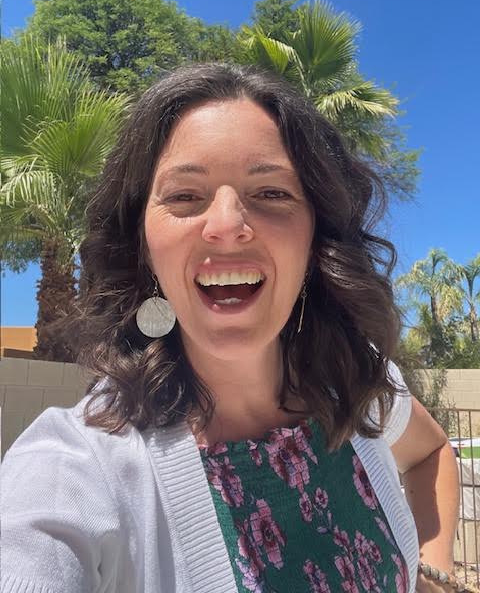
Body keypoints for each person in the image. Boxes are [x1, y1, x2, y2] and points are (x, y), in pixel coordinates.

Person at [1, 63, 461, 593]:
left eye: (271, 193)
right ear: (143, 246)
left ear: (316, 240)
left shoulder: (354, 381)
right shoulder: (74, 467)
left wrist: (433, 572)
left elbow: (431, 453)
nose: (226, 227)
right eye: (184, 196)